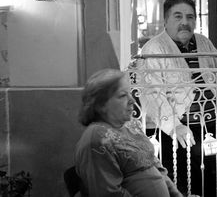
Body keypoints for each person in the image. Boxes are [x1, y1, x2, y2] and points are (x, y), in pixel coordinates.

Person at [138, 0, 217, 197]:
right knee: (201, 156)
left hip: (215, 120)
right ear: (165, 20)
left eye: (190, 17)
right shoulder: (153, 49)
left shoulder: (203, 43)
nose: (185, 22)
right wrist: (174, 126)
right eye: (178, 16)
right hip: (180, 125)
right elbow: (152, 94)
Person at [74, 69, 182, 197]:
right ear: (100, 105)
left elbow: (157, 168)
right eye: (122, 95)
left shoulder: (131, 125)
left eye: (130, 93)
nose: (132, 100)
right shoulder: (97, 138)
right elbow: (109, 193)